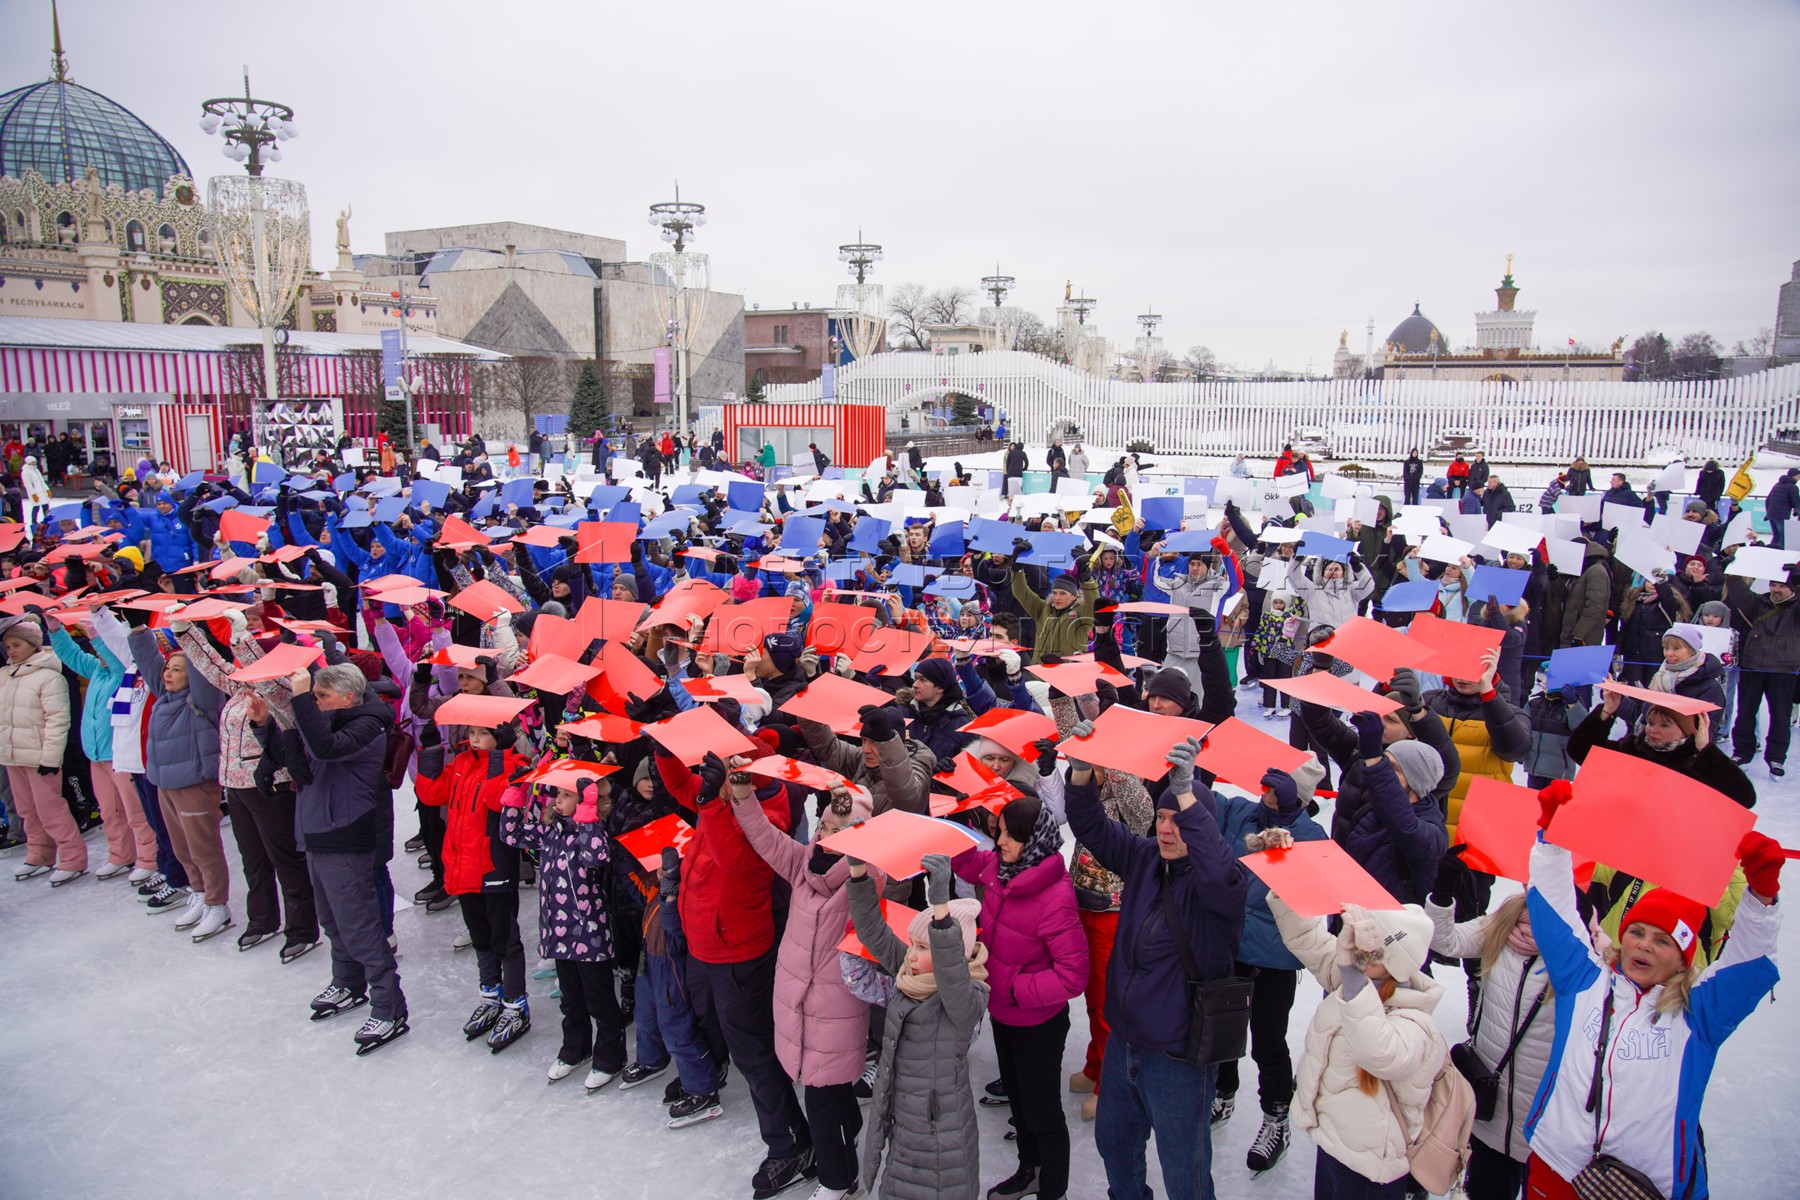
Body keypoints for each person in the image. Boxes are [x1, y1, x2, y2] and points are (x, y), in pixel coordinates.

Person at [1521, 790, 1782, 1200]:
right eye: (1637, 932)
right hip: (1557, 1165)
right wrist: (1552, 839)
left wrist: (1762, 896)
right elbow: (1553, 910)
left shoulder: (1700, 1014)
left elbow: (1749, 964)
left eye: (1662, 941)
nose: (1643, 945)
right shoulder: (1585, 982)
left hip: (1644, 1186)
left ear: (1682, 960)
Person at [1065, 733, 1247, 1200]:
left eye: (1179, 821)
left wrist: (1186, 794)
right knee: (1114, 1145)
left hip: (1177, 1057)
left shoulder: (1221, 889)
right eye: (1162, 818)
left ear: (1202, 827)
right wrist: (1081, 773)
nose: (1166, 829)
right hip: (1124, 1040)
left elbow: (1218, 870)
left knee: (1184, 1171)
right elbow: (1092, 826)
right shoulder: (1145, 858)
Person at [250, 663, 408, 1053]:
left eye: (322, 696)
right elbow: (301, 767)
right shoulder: (328, 723)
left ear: (348, 698)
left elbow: (324, 749)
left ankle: (389, 1008)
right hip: (316, 832)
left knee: (360, 928)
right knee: (332, 921)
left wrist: (301, 701)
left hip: (346, 836)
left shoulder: (367, 726)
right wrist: (269, 724)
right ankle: (348, 983)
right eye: (315, 696)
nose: (316, 702)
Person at [732, 778, 877, 1200]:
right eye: (824, 826)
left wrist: (857, 851)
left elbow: (875, 883)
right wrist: (743, 797)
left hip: (835, 1010)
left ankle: (839, 1181)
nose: (826, 836)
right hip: (796, 1002)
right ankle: (849, 1131)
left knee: (821, 1097)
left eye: (839, 829)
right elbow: (765, 838)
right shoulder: (803, 863)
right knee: (830, 1092)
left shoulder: (863, 877)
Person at [1269, 885, 1448, 1200]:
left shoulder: (1417, 1022)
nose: (1356, 944)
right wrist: (1287, 887)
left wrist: (1352, 973)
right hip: (1334, 1143)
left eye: (1369, 941)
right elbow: (1308, 938)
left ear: (1390, 960)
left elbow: (1377, 1051)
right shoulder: (1356, 979)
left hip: (1371, 1167)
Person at [952, 797, 1088, 1200]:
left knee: (1042, 1113)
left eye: (1010, 835)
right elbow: (966, 863)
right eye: (1000, 832)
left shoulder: (1056, 897)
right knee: (1019, 1103)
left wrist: (1012, 988)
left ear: (1034, 840)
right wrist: (952, 817)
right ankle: (1030, 1171)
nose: (1000, 841)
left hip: (1038, 1024)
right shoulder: (999, 868)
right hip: (1003, 1014)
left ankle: (1053, 1190)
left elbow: (1073, 976)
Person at [847, 853, 987, 1200]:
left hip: (941, 1139)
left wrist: (940, 907)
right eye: (912, 944)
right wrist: (858, 873)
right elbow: (872, 931)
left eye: (922, 947)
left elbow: (952, 977)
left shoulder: (966, 997)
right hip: (904, 1126)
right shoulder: (910, 974)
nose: (910, 955)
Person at [1212, 760, 1328, 1174]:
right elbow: (1203, 806)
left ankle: (1276, 1118)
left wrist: (1288, 823)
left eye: (1280, 791)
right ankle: (1223, 1092)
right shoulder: (1242, 812)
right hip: (1229, 943)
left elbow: (1314, 884)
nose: (1268, 795)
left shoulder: (1310, 836)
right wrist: (1194, 769)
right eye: (1268, 787)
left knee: (1268, 1041)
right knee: (1221, 1031)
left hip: (1273, 959)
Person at [1425, 867, 1553, 1200]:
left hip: (1543, 1121)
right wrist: (1442, 894)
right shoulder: (1507, 919)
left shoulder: (1577, 950)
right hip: (1490, 1107)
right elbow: (1446, 940)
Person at [498, 774, 626, 1089]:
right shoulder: (550, 832)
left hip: (589, 935)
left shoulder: (592, 831)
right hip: (559, 933)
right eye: (557, 794)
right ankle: (575, 1048)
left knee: (599, 999)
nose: (558, 800)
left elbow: (596, 857)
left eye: (567, 796)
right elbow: (511, 835)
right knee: (571, 999)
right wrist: (515, 793)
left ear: (585, 801)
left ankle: (611, 1055)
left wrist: (587, 814)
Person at [415, 719, 532, 1053]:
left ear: (499, 738)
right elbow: (430, 793)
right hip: (462, 867)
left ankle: (515, 1004)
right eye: (472, 733)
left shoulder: (515, 765)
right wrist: (430, 752)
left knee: (503, 937)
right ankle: (490, 994)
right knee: (480, 936)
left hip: (493, 866)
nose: (476, 739)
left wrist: (500, 756)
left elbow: (497, 801)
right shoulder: (461, 763)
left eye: (483, 734)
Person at [130, 624, 232, 942]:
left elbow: (201, 668)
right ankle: (199, 893)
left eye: (177, 669)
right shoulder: (164, 697)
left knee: (203, 849)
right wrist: (137, 630)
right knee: (183, 850)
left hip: (195, 785)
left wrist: (189, 635)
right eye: (168, 668)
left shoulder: (203, 698)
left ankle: (217, 904)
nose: (168, 674)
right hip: (166, 785)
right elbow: (148, 661)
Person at [0, 616, 83, 884]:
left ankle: (72, 857)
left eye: (16, 645)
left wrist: (50, 758)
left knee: (51, 809)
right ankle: (39, 853)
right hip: (14, 756)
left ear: (33, 645)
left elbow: (57, 720)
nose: (11, 651)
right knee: (26, 809)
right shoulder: (5, 675)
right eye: (8, 646)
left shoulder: (49, 677)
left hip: (39, 757)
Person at [1722, 566, 1797, 777]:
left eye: (1782, 586)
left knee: (1780, 716)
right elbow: (1739, 593)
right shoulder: (1759, 603)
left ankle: (1776, 757)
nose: (1776, 590)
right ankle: (1742, 752)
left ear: (1792, 589)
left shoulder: (1796, 607)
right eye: (1773, 585)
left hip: (1784, 670)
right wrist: (1733, 571)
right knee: (1745, 712)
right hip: (1753, 666)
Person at [1766, 467, 1798, 549]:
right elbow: (1795, 501)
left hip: (1771, 514)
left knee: (1776, 535)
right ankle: (1779, 552)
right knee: (1782, 535)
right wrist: (1797, 510)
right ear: (1794, 476)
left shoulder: (1777, 485)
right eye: (1799, 475)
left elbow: (1768, 500)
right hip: (1781, 515)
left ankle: (1770, 550)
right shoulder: (1792, 487)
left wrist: (1768, 513)